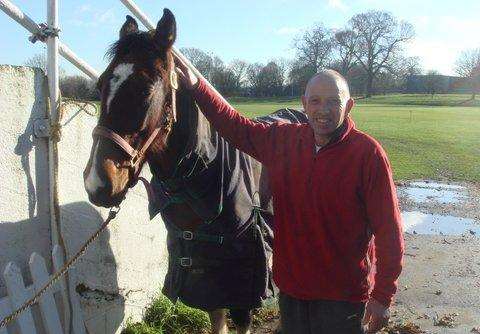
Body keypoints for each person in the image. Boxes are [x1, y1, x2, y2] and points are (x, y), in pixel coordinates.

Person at [176, 58, 404, 334]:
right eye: (316, 101)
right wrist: (198, 86)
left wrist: (382, 296)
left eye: (333, 101)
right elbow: (236, 127)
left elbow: (389, 231)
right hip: (293, 291)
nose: (323, 110)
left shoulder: (368, 155)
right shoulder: (283, 139)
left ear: (349, 105)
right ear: (304, 104)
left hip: (343, 296)